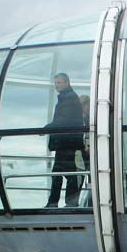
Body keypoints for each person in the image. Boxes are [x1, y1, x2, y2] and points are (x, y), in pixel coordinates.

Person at [45, 73, 84, 208]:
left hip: (67, 143)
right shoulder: (67, 98)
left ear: (67, 83)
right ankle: (65, 203)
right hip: (67, 142)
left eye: (59, 83)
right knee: (63, 173)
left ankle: (61, 203)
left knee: (64, 174)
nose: (57, 86)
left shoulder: (69, 99)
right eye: (56, 83)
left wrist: (47, 128)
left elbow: (63, 120)